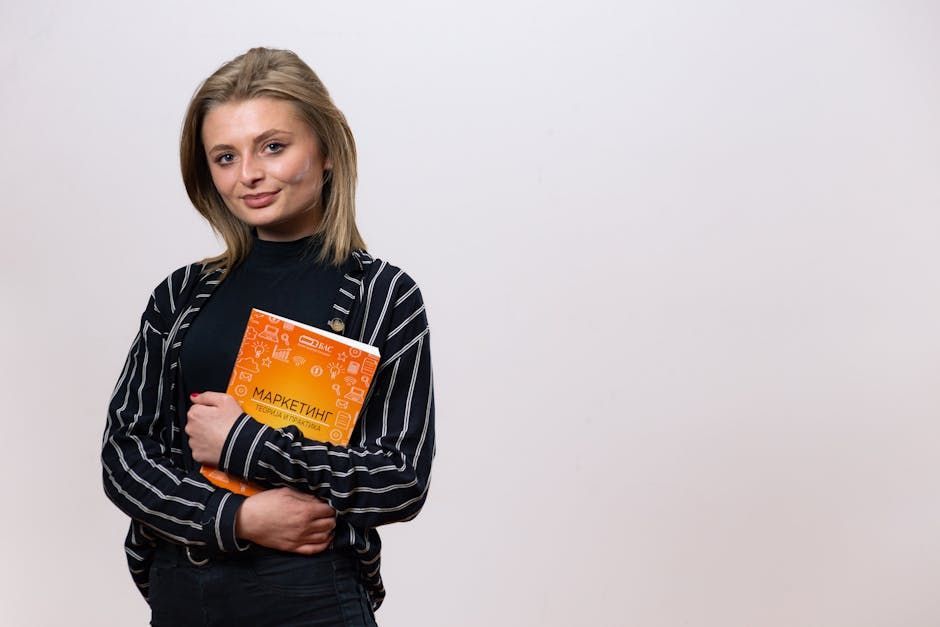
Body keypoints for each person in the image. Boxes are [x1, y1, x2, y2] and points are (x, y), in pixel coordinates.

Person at [101, 46, 435, 627]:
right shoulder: (181, 296)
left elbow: (401, 480)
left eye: (273, 147)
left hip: (310, 593)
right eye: (225, 157)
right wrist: (235, 518)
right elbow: (124, 455)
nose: (248, 174)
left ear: (326, 151)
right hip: (183, 591)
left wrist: (246, 445)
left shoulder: (385, 297)